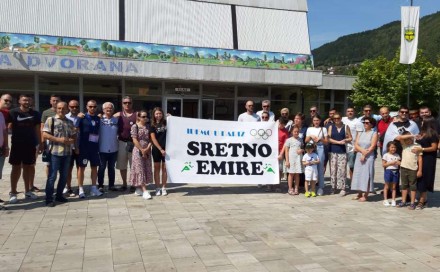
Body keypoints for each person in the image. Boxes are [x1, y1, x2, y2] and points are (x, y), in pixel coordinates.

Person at [8, 94, 42, 204]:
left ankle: (28, 191)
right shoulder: (13, 112)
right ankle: (13, 192)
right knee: (16, 168)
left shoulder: (35, 114)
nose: (27, 102)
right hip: (17, 145)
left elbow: (38, 130)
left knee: (28, 167)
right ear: (19, 101)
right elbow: (7, 127)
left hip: (30, 145)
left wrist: (40, 143)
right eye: (24, 100)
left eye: (28, 100)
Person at [42, 102, 77, 207]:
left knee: (64, 176)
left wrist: (70, 140)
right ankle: (48, 198)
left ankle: (59, 195)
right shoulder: (51, 120)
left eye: (63, 108)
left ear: (67, 110)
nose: (61, 110)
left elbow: (74, 136)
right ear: (56, 109)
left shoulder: (70, 122)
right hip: (55, 153)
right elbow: (44, 134)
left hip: (67, 153)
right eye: (59, 108)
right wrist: (59, 139)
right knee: (52, 176)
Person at [76, 100, 103, 198]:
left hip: (94, 148)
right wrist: (76, 146)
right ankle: (80, 188)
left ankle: (93, 188)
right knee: (81, 168)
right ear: (87, 107)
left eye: (94, 107)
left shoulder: (98, 118)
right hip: (83, 147)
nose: (92, 108)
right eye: (90, 106)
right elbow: (75, 130)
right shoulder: (82, 117)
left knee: (94, 167)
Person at [412, 117, 438, 210]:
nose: (421, 123)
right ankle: (423, 199)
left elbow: (434, 148)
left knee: (424, 179)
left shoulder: (433, 134)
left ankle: (422, 201)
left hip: (428, 159)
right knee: (419, 179)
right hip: (420, 158)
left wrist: (421, 149)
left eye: (423, 122)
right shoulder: (422, 133)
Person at [351, 117, 378, 202]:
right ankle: (359, 193)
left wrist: (365, 154)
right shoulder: (360, 133)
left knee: (367, 174)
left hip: (369, 156)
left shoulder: (374, 133)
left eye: (367, 123)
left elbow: (372, 146)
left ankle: (366, 195)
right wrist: (362, 152)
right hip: (360, 155)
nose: (365, 124)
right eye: (364, 123)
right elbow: (356, 145)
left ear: (372, 124)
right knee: (358, 174)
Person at [115, 96, 137, 191]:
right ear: (122, 104)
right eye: (125, 103)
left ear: (132, 103)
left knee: (134, 165)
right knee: (122, 165)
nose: (127, 104)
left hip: (133, 143)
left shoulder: (137, 115)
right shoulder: (118, 115)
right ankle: (124, 184)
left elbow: (147, 122)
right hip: (121, 142)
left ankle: (133, 184)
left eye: (129, 102)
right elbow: (106, 117)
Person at [130, 110, 153, 200]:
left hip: (147, 149)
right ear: (139, 117)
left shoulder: (148, 126)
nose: (145, 118)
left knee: (145, 168)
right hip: (138, 150)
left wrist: (147, 149)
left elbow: (151, 139)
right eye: (143, 116)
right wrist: (142, 150)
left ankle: (139, 188)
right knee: (139, 169)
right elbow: (134, 139)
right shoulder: (135, 126)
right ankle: (144, 190)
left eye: (146, 116)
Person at [327, 112, 352, 196]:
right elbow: (328, 138)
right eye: (335, 119)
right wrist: (338, 142)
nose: (336, 120)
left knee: (342, 170)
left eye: (338, 118)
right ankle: (333, 187)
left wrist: (345, 140)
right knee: (333, 170)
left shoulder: (345, 127)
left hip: (342, 151)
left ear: (341, 118)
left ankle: (343, 188)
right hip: (333, 151)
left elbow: (350, 137)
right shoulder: (331, 127)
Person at [398, 131, 422, 210]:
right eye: (406, 138)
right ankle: (403, 201)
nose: (408, 140)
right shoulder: (404, 145)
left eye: (409, 138)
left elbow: (420, 159)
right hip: (403, 167)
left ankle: (412, 203)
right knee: (404, 186)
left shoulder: (417, 146)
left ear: (412, 138)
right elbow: (400, 137)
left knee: (413, 186)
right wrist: (412, 135)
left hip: (413, 169)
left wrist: (420, 170)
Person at [98, 102, 119, 192]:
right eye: (106, 108)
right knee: (102, 168)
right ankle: (100, 185)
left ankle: (111, 185)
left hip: (114, 149)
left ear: (113, 110)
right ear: (103, 110)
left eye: (110, 108)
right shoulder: (99, 119)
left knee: (111, 168)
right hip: (102, 149)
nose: (108, 109)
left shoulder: (117, 120)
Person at [40, 94, 61, 185]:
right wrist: (42, 141)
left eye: (57, 100)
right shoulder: (46, 112)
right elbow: (42, 127)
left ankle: (61, 184)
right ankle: (50, 183)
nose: (55, 102)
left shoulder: (63, 111)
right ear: (50, 101)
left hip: (61, 141)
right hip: (49, 141)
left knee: (61, 164)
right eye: (53, 100)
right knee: (48, 163)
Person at [305, 114, 327, 196]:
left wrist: (320, 139)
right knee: (311, 167)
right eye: (314, 120)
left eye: (317, 120)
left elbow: (326, 142)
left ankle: (321, 187)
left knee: (320, 168)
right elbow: (306, 140)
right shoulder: (309, 129)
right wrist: (311, 136)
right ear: (312, 121)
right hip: (311, 149)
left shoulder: (323, 129)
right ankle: (312, 187)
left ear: (320, 121)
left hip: (320, 147)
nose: (316, 122)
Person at [150, 107, 168, 196]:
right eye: (156, 114)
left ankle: (164, 187)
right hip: (157, 149)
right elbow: (153, 138)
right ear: (154, 114)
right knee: (157, 169)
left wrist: (171, 117)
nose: (158, 115)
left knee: (165, 169)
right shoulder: (152, 125)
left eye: (160, 113)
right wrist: (160, 149)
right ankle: (157, 187)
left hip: (167, 149)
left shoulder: (166, 122)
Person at [64, 100, 80, 196]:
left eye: (76, 107)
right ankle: (68, 187)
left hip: (79, 146)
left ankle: (79, 187)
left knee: (80, 168)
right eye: (72, 107)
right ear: (68, 107)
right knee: (68, 168)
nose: (74, 108)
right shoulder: (65, 117)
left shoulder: (81, 117)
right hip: (68, 147)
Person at [284, 126, 303, 195]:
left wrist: (302, 150)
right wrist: (287, 161)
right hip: (291, 158)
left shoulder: (300, 140)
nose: (296, 133)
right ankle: (290, 188)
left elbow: (303, 148)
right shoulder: (288, 140)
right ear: (292, 132)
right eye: (295, 131)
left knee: (297, 174)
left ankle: (296, 188)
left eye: (297, 131)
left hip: (298, 158)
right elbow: (286, 151)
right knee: (291, 173)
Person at [381, 141, 400, 207]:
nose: (393, 149)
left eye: (394, 147)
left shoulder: (397, 155)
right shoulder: (386, 155)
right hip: (388, 171)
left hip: (396, 171)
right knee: (387, 186)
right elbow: (383, 165)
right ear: (388, 148)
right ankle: (385, 199)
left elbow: (400, 163)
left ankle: (393, 200)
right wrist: (390, 163)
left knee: (394, 187)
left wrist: (398, 163)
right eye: (392, 147)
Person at [342, 107, 358, 183]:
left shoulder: (357, 121)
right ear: (346, 112)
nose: (350, 112)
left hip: (352, 147)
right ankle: (343, 182)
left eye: (351, 111)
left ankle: (353, 182)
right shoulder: (342, 119)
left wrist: (356, 146)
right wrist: (328, 119)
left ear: (354, 112)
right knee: (342, 166)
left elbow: (359, 134)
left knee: (351, 166)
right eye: (348, 111)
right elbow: (333, 118)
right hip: (342, 146)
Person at [0, 94, 11, 181]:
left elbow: (5, 131)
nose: (8, 103)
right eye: (6, 100)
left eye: (10, 101)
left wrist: (6, 146)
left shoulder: (4, 114)